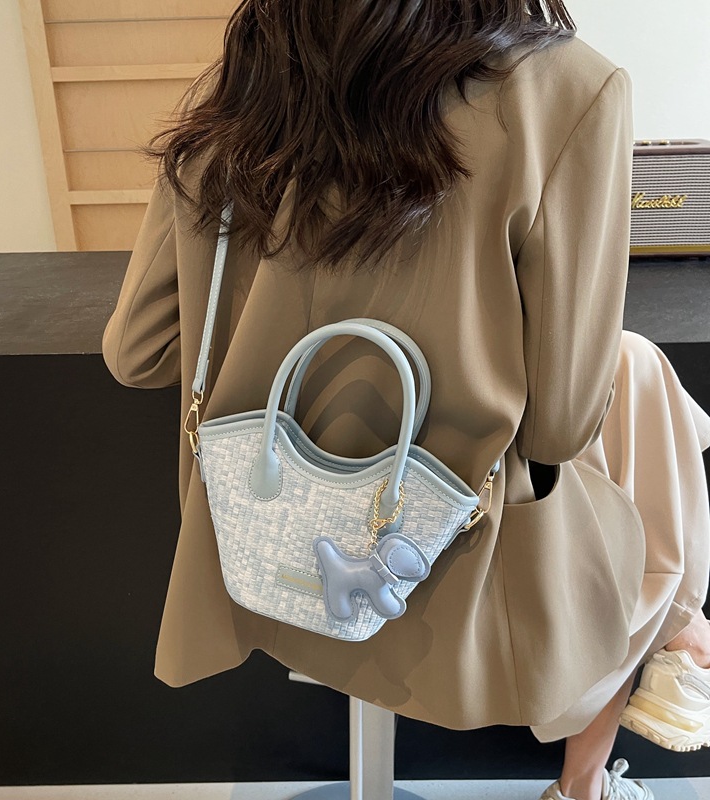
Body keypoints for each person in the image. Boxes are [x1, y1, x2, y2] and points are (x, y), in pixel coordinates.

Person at [100, 2, 710, 799]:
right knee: (648, 441)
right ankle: (637, 706)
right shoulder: (572, 87)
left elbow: (138, 352)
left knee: (644, 398)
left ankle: (672, 651)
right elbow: (559, 428)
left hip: (261, 558)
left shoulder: (254, 74)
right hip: (454, 580)